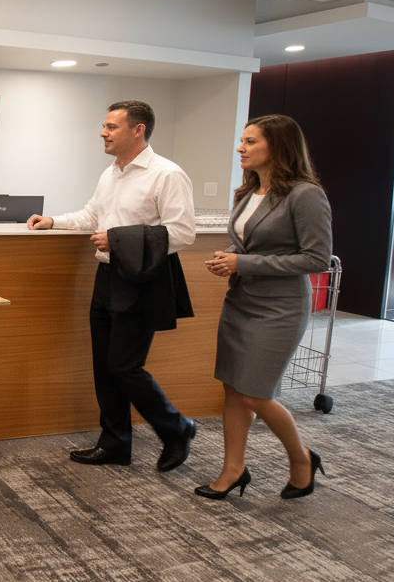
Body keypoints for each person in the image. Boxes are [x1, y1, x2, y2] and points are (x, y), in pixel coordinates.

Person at [28, 100, 198, 471]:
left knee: (125, 367)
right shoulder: (111, 173)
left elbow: (183, 233)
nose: (102, 133)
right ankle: (116, 442)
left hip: (142, 281)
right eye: (104, 127)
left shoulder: (166, 174)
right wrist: (54, 220)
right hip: (106, 278)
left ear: (138, 130)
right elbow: (93, 215)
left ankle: (177, 427)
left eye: (111, 127)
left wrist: (119, 240)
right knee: (104, 367)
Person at [196, 115, 332, 500]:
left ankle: (302, 458)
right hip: (240, 301)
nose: (241, 148)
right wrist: (232, 258)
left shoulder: (306, 195)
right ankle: (233, 469)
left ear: (279, 147)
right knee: (233, 389)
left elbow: (316, 258)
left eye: (251, 141)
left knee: (255, 392)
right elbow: (252, 245)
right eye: (242, 141)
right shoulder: (248, 191)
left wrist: (245, 263)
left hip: (279, 309)